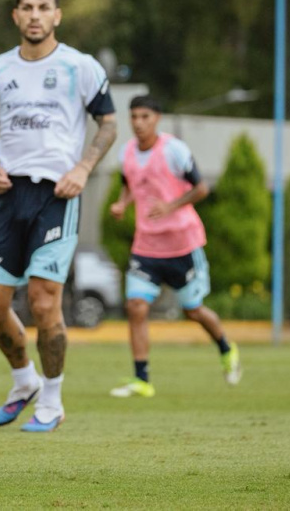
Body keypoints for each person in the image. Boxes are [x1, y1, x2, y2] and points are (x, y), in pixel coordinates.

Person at [0, 0, 117, 433]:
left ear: (57, 16)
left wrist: (84, 168)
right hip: (7, 195)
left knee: (42, 299)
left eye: (43, 7)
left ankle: (52, 402)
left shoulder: (80, 66)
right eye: (27, 7)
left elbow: (108, 124)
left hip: (57, 195)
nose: (35, 15)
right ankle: (25, 382)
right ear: (15, 16)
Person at [108, 96, 241, 397]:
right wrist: (121, 204)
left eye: (145, 116)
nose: (138, 123)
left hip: (182, 245)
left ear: (157, 118)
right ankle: (142, 379)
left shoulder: (174, 150)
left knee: (193, 311)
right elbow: (129, 185)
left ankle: (225, 347)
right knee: (136, 307)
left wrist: (171, 206)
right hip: (146, 246)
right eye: (134, 117)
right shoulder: (126, 153)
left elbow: (201, 188)